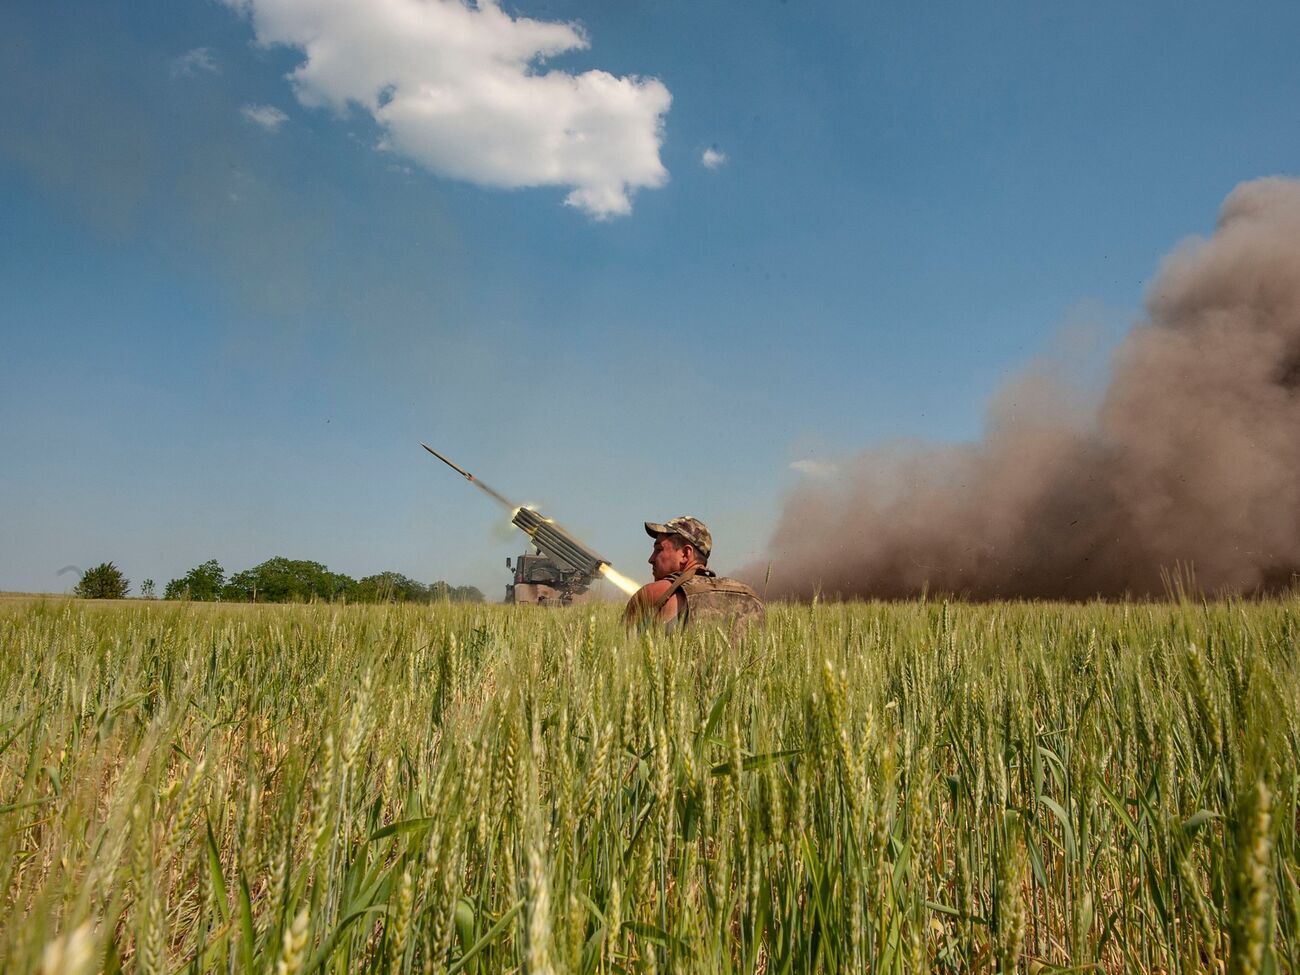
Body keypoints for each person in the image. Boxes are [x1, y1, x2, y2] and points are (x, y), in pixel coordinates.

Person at [623, 516, 765, 634]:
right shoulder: (751, 597)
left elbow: (620, 643)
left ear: (685, 554)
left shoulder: (654, 592)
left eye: (658, 549)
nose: (651, 559)